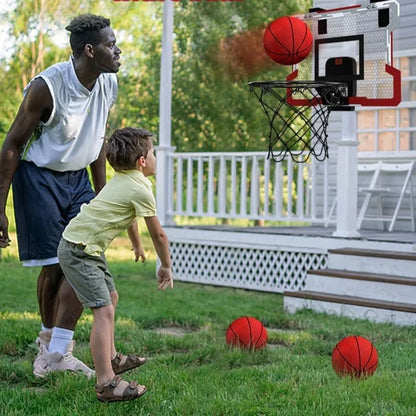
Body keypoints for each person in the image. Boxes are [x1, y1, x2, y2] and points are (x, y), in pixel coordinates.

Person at [0, 14, 122, 377]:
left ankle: (58, 353)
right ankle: (47, 344)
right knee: (55, 265)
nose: (117, 51)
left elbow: (98, 141)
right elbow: (11, 145)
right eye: (110, 45)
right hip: (39, 179)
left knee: (80, 258)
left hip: (77, 180)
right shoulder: (47, 87)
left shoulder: (108, 83)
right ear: (89, 49)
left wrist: (101, 195)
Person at [57, 127, 174, 402]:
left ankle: (112, 358)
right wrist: (166, 266)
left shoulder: (123, 180)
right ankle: (106, 383)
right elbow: (159, 234)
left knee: (111, 297)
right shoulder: (140, 187)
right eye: (153, 153)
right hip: (78, 251)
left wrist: (135, 244)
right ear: (141, 161)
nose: (155, 157)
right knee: (104, 311)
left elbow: (130, 217)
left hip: (85, 247)